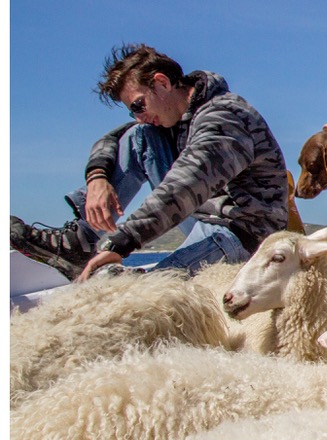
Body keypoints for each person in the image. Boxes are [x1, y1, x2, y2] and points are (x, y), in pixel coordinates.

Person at [10, 44, 290, 281]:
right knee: (139, 136)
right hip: (201, 218)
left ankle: (138, 278)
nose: (138, 115)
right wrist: (97, 176)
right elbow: (116, 138)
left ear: (162, 83)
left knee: (146, 296)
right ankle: (80, 243)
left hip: (243, 234)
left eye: (138, 105)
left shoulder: (226, 117)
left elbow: (185, 185)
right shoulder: (170, 122)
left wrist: (122, 241)